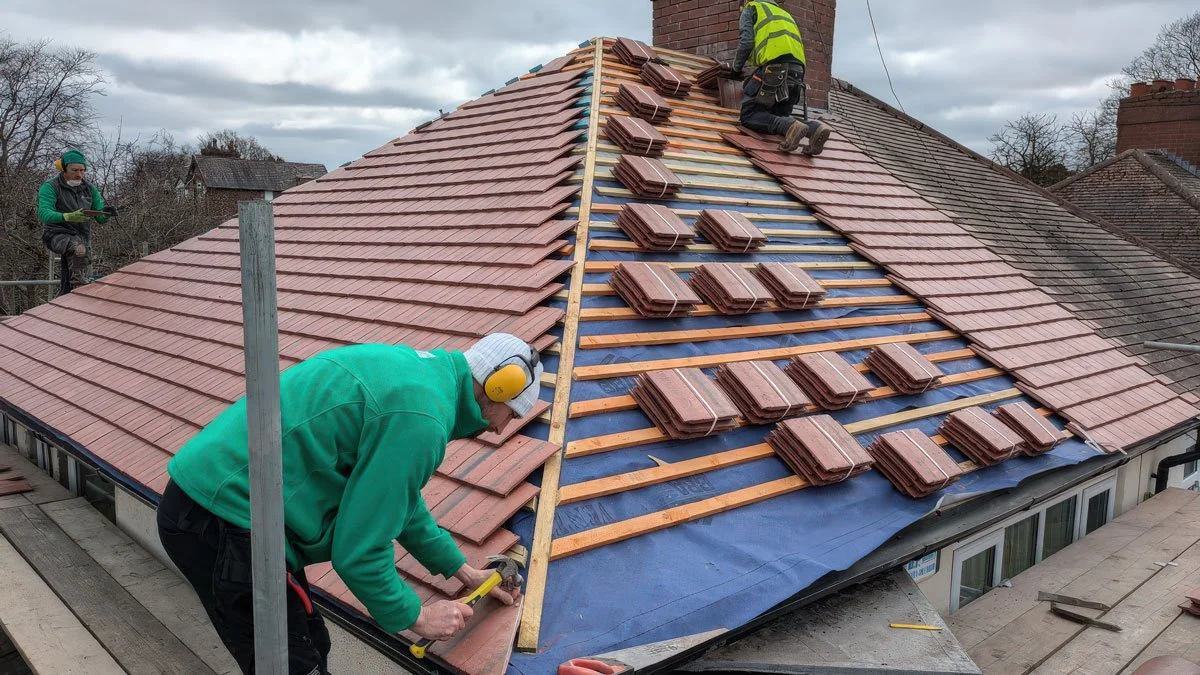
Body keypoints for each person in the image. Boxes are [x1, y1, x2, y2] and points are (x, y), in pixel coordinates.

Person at [156, 333, 542, 674]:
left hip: (224, 510)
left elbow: (397, 501)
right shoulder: (421, 418)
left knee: (312, 646)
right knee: (292, 665)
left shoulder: (421, 381)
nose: (501, 429)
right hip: (221, 519)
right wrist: (417, 617)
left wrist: (461, 571)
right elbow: (358, 552)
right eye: (512, 413)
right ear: (498, 388)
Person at [730, 0, 833, 155]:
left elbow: (746, 43)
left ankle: (789, 126)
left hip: (775, 69)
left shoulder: (752, 8)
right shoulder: (784, 14)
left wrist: (735, 69)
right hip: (797, 74)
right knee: (779, 116)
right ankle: (815, 128)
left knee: (749, 115)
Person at [37, 149, 116, 295]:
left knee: (76, 257)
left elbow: (100, 217)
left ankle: (66, 295)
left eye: (82, 170)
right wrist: (67, 216)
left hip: (82, 236)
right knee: (78, 248)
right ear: (64, 168)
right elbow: (43, 213)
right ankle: (79, 288)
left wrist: (106, 213)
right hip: (56, 234)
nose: (78, 174)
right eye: (74, 170)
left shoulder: (89, 189)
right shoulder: (50, 187)